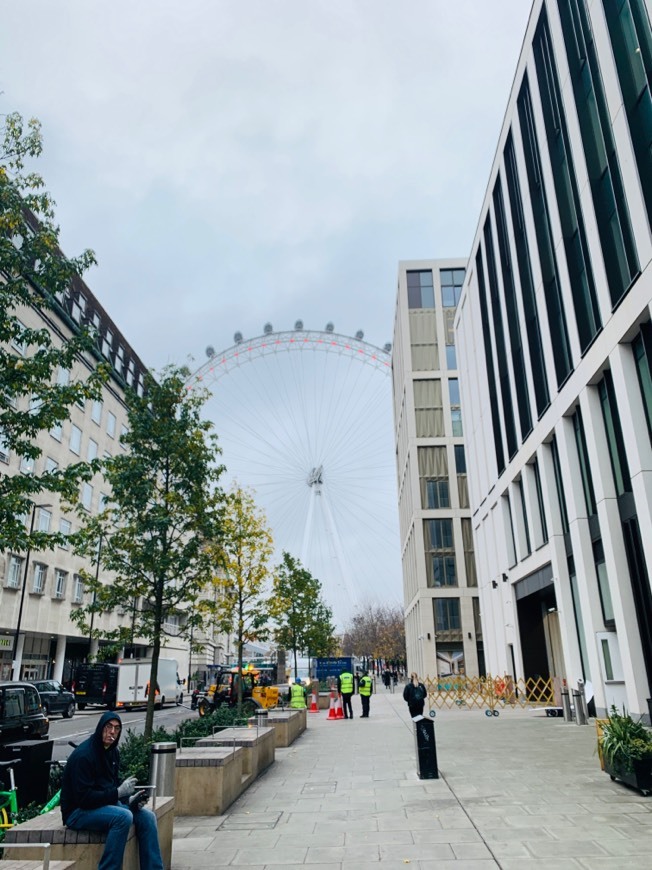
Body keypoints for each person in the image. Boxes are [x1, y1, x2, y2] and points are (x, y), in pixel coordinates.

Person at [60, 711, 163, 870]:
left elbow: (110, 788)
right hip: (77, 812)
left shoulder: (113, 753)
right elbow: (84, 799)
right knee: (123, 817)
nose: (112, 732)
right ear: (100, 728)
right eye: (108, 727)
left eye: (117, 728)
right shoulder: (84, 756)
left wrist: (130, 800)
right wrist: (118, 794)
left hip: (101, 805)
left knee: (147, 817)